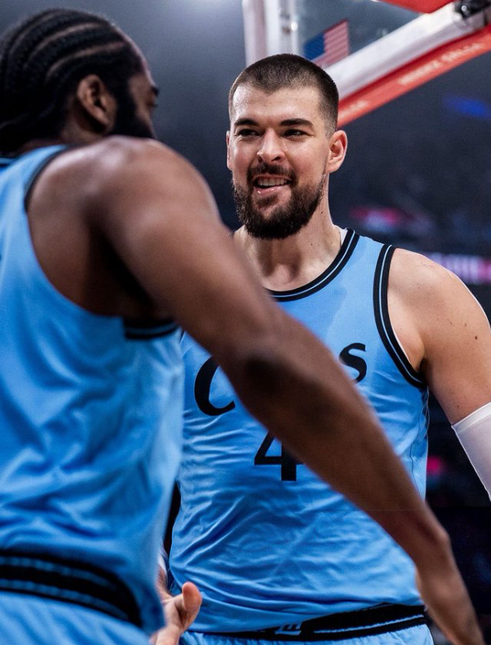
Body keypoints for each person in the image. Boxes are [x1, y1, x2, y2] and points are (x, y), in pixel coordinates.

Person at [0, 12, 483, 645]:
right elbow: (260, 361)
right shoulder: (132, 238)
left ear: (335, 148)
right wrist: (432, 556)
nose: (150, 135)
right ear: (96, 101)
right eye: (146, 107)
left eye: (294, 131)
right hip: (51, 612)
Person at [168, 54, 491, 645]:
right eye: (250, 132)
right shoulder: (169, 294)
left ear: (335, 149)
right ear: (229, 148)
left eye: (293, 132)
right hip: (209, 631)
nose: (268, 151)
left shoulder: (418, 293)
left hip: (372, 630)